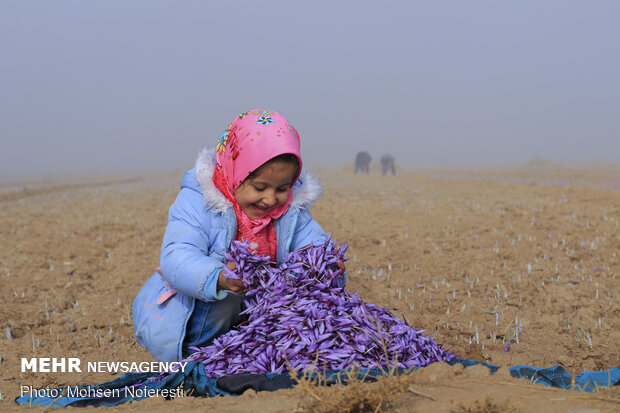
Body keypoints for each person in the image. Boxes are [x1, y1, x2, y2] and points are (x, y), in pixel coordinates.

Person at [132, 109, 345, 362]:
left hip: (255, 314)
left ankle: (259, 349)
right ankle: (201, 357)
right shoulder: (198, 202)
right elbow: (176, 257)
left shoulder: (289, 209)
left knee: (306, 289)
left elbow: (311, 242)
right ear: (236, 171)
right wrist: (218, 277)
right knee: (227, 298)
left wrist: (326, 262)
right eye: (259, 187)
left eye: (282, 189)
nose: (270, 199)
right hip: (191, 315)